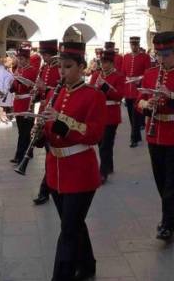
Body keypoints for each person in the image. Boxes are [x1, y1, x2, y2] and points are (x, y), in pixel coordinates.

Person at [39, 41, 106, 280]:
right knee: (74, 224)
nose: (62, 72)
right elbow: (46, 126)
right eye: (60, 67)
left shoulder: (94, 96)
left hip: (80, 172)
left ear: (81, 67)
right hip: (55, 170)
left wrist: (61, 122)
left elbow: (94, 135)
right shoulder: (52, 93)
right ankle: (87, 264)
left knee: (67, 230)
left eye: (68, 67)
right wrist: (39, 135)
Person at [136, 31, 174, 241]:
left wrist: (171, 97)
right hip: (154, 133)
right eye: (159, 55)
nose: (161, 59)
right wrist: (146, 104)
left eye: (166, 54)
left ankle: (168, 221)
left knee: (172, 179)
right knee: (160, 178)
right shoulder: (151, 73)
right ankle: (169, 212)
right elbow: (139, 99)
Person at [89, 49, 125, 184]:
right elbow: (91, 92)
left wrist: (105, 87)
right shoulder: (96, 75)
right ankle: (109, 166)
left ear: (111, 63)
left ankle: (103, 172)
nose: (103, 65)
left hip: (111, 114)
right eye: (102, 62)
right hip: (98, 113)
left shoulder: (118, 76)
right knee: (101, 143)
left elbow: (119, 95)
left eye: (106, 62)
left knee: (106, 144)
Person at [32, 39, 61, 205]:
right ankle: (48, 187)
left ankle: (45, 190)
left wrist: (45, 88)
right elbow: (42, 92)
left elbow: (61, 89)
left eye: (45, 54)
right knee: (48, 152)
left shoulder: (58, 66)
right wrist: (36, 92)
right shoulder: (44, 67)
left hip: (54, 112)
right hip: (43, 111)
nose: (43, 57)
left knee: (51, 153)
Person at [9, 46, 38, 164]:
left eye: (22, 59)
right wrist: (12, 85)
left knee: (25, 131)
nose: (20, 61)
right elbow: (15, 87)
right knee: (22, 131)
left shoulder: (32, 70)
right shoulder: (18, 70)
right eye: (19, 58)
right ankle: (29, 152)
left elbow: (30, 86)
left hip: (27, 103)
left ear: (27, 59)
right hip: (18, 103)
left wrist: (20, 81)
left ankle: (19, 155)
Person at [121, 37, 151, 148]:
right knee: (130, 116)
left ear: (138, 45)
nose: (134, 46)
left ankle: (133, 138)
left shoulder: (145, 57)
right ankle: (137, 135)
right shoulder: (126, 57)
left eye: (135, 44)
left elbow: (148, 73)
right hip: (128, 89)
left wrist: (140, 80)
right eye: (132, 44)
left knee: (135, 115)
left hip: (138, 90)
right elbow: (123, 73)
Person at [0, 56, 14, 123]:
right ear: (5, 62)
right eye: (10, 63)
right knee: (2, 103)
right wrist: (2, 91)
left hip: (7, 89)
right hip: (3, 89)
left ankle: (4, 115)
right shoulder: (0, 69)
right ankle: (1, 116)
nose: (11, 64)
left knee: (5, 104)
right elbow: (0, 81)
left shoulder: (6, 69)